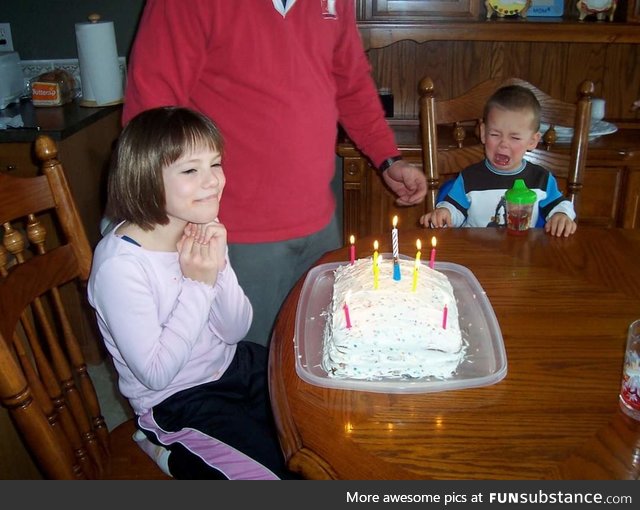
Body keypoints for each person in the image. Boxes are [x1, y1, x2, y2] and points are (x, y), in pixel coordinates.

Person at [122, 0, 427, 347]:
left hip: (319, 222)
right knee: (251, 368)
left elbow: (351, 83)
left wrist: (387, 158)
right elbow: (151, 114)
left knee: (319, 349)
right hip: (232, 231)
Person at [88, 107, 292, 479]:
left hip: (233, 362)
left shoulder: (198, 223)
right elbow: (156, 374)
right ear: (145, 178)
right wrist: (198, 284)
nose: (213, 181)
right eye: (190, 170)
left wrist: (216, 269)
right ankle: (169, 454)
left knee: (307, 426)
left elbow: (234, 331)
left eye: (215, 164)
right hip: (179, 398)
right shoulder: (120, 267)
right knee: (271, 477)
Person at [419, 84, 577, 237]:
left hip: (522, 254)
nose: (503, 144)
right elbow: (453, 209)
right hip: (475, 252)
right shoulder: (469, 178)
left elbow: (561, 206)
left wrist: (561, 215)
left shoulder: (541, 180)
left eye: (515, 137)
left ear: (532, 141)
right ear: (483, 133)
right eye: (495, 134)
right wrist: (444, 214)